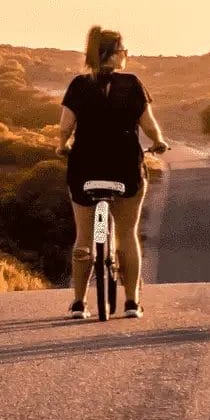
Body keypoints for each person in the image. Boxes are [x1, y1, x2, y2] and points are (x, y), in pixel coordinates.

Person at [57, 25, 168, 319]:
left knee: (83, 237)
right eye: (124, 51)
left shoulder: (79, 85)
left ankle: (80, 303)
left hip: (85, 167)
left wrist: (61, 146)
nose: (126, 56)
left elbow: (65, 126)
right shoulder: (132, 84)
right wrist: (158, 143)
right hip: (125, 167)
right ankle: (132, 302)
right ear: (115, 54)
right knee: (128, 234)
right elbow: (149, 125)